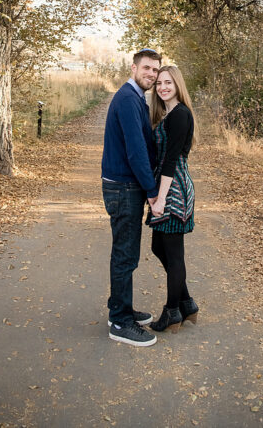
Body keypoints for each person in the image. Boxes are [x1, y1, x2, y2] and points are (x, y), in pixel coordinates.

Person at [101, 48, 163, 347]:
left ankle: (122, 308)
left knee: (127, 253)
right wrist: (152, 191)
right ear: (134, 67)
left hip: (126, 186)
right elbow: (136, 150)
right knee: (125, 254)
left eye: (155, 69)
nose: (151, 74)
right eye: (147, 68)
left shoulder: (136, 97)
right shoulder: (127, 98)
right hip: (124, 187)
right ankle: (119, 322)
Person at [146, 65, 199, 332]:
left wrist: (160, 198)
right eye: (159, 83)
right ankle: (186, 303)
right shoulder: (167, 114)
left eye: (168, 82)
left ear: (177, 85)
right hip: (167, 186)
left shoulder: (180, 114)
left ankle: (172, 312)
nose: (163, 87)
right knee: (159, 248)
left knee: (174, 253)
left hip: (174, 189)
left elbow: (170, 160)